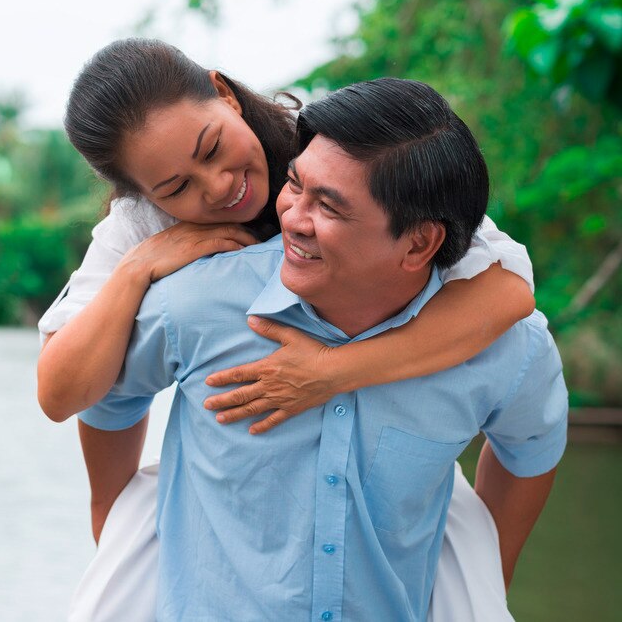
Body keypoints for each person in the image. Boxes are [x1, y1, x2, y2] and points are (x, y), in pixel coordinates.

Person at [37, 40, 534, 618]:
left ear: (224, 93)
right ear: (141, 194)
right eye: (176, 189)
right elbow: (63, 392)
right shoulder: (141, 225)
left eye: (213, 148)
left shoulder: (332, 154)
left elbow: (509, 292)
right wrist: (137, 268)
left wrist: (331, 373)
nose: (217, 186)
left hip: (389, 507)